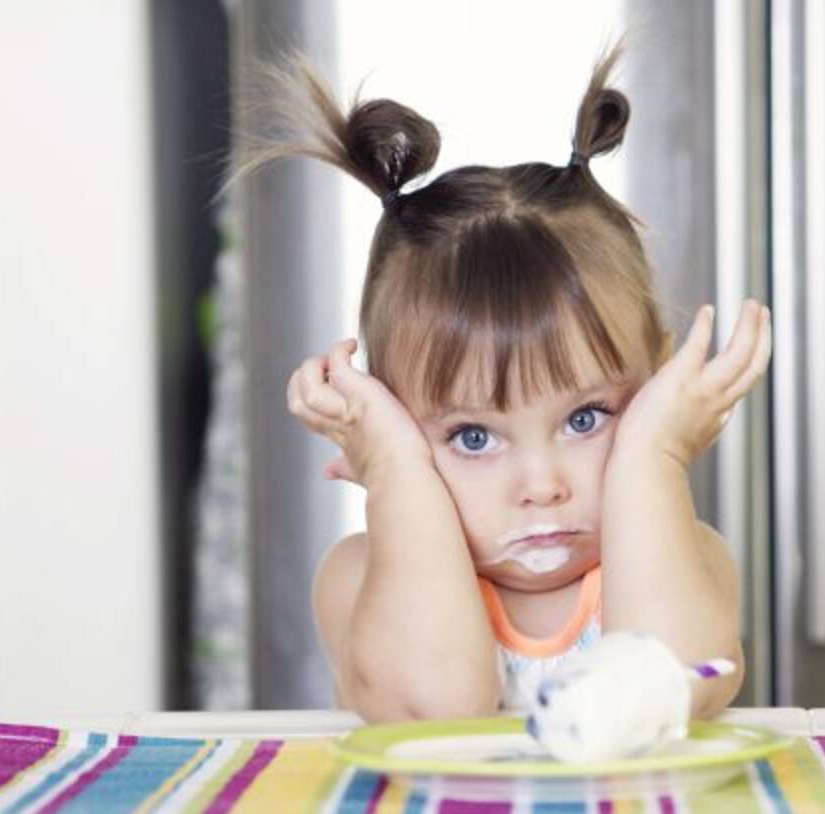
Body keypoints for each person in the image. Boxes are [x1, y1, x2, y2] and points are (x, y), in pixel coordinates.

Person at [224, 38, 772, 723]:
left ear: (653, 393)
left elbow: (670, 688)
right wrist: (395, 472)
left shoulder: (682, 557)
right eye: (474, 436)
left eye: (586, 419)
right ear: (391, 420)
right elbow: (439, 709)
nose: (541, 487)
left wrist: (652, 457)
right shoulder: (358, 577)